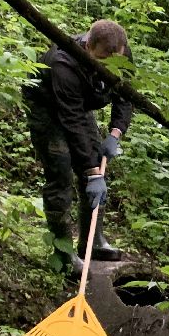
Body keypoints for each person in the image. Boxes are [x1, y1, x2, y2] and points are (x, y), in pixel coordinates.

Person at [22, 19, 134, 275]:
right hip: (47, 106)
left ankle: (92, 241)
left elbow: (126, 94)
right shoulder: (63, 63)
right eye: (101, 61)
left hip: (78, 104)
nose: (108, 67)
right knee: (61, 170)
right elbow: (71, 121)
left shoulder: (120, 52)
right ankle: (63, 251)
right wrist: (92, 172)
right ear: (87, 48)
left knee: (95, 161)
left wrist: (115, 133)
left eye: (113, 61)